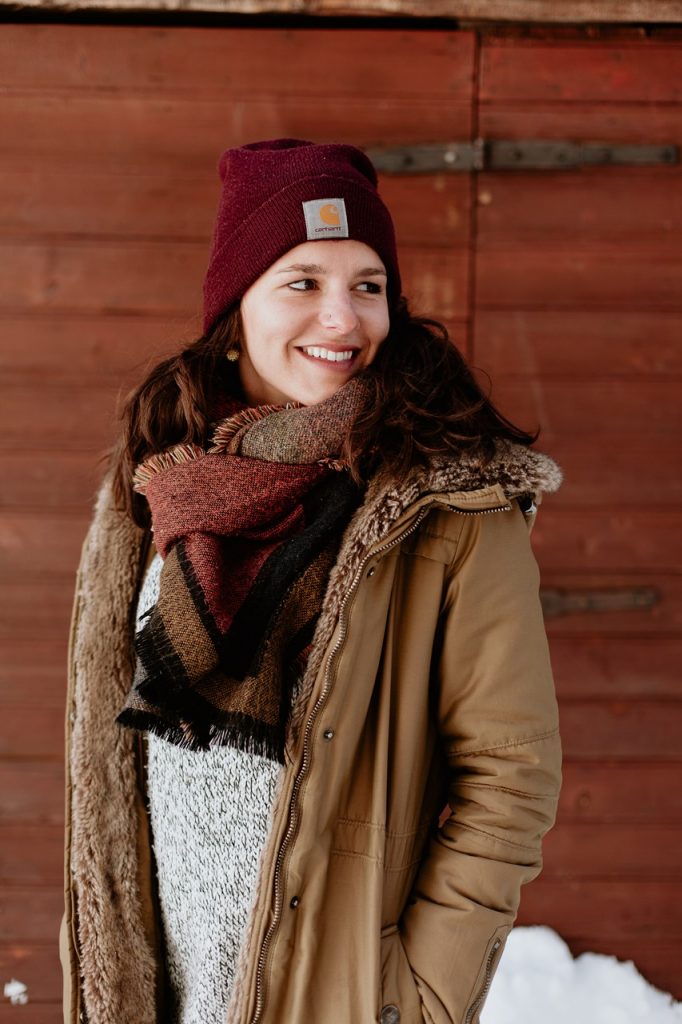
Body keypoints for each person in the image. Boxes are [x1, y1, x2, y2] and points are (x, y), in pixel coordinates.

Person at [60, 139, 562, 1024]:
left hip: (338, 1000)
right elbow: (108, 759)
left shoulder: (447, 505)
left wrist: (421, 997)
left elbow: (510, 779)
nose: (342, 319)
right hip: (161, 997)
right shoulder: (159, 484)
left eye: (367, 285)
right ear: (235, 308)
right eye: (303, 282)